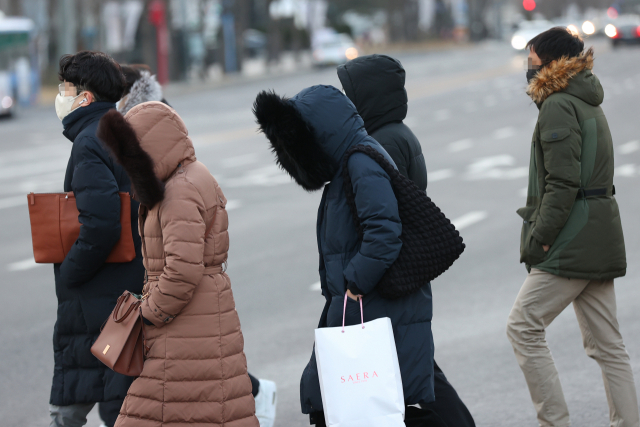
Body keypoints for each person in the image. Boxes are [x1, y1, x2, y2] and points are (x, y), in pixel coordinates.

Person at [253, 85, 437, 427]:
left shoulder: (360, 161)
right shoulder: (347, 164)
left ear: (322, 131)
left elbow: (384, 231)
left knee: (345, 403)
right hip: (363, 302)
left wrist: (355, 283)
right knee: (343, 402)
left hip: (370, 300)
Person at [116, 62, 278, 427]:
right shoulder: (187, 175)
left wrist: (149, 311)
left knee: (148, 414)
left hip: (185, 323)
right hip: (200, 319)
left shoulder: (179, 190)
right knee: (209, 407)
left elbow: (182, 269)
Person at [507, 28, 639, 427]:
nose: (529, 70)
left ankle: (555, 422)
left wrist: (539, 237)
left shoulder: (558, 105)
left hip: (573, 237)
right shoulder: (586, 96)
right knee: (608, 344)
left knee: (523, 327)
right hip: (598, 230)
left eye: (532, 61)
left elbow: (562, 184)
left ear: (549, 63)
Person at [337, 53, 476, 427]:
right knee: (412, 366)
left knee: (417, 371)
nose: (347, 101)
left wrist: (364, 269)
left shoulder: (384, 141)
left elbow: (385, 219)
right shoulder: (391, 133)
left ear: (370, 96)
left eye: (351, 93)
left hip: (391, 275)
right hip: (397, 272)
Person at [49, 52, 145, 427]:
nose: (60, 96)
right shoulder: (123, 129)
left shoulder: (90, 142)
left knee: (85, 402)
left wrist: (70, 273)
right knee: (117, 397)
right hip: (128, 286)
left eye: (65, 89)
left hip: (98, 294)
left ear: (84, 98)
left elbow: (102, 225)